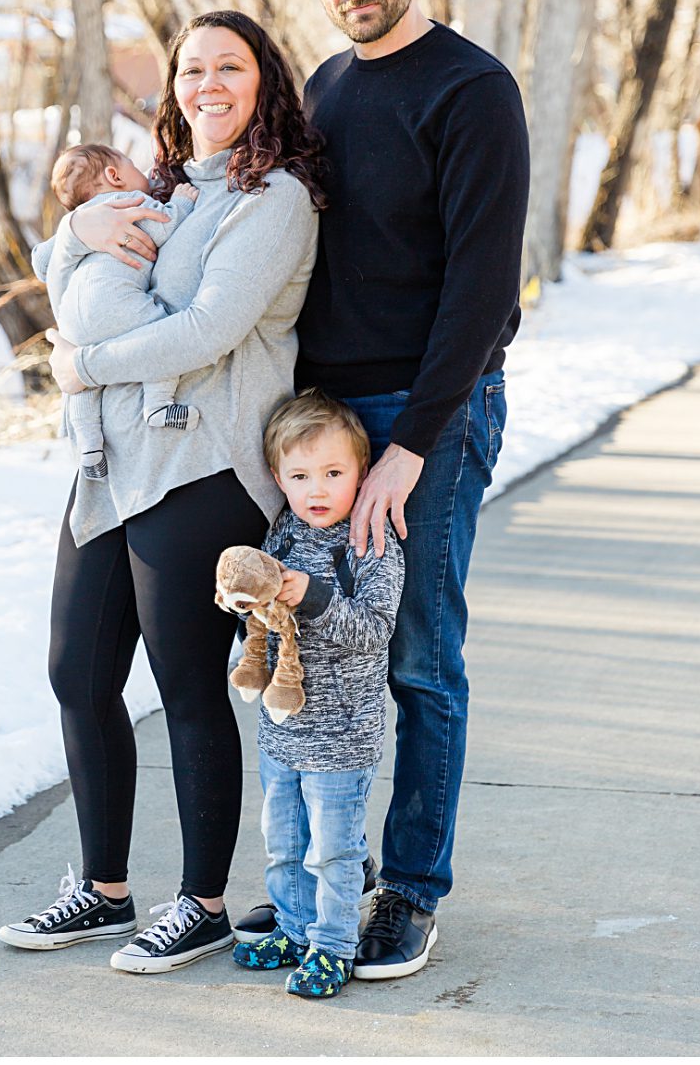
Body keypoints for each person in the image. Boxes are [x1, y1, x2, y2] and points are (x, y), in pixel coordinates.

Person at [230, 0, 530, 981]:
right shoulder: (325, 85)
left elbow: (482, 286)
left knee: (415, 652)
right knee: (316, 640)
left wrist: (410, 445)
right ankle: (324, 875)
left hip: (426, 413)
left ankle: (408, 887)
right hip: (328, 414)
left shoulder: (472, 89)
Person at [0, 11, 325, 974]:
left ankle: (205, 901)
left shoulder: (276, 200)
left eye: (230, 67)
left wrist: (85, 364)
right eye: (192, 69)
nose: (207, 84)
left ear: (263, 81)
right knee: (77, 672)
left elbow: (208, 329)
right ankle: (102, 892)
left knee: (185, 684)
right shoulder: (166, 185)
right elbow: (69, 272)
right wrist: (68, 228)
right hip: (114, 464)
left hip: (207, 465)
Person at [228, 391, 404, 1000]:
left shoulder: (370, 545)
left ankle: (333, 945)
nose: (318, 489)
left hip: (342, 734)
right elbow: (264, 626)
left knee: (332, 852)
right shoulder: (279, 534)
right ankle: (294, 928)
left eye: (334, 473)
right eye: (301, 476)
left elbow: (373, 631)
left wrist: (315, 598)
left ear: (362, 471)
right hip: (282, 730)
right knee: (284, 843)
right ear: (278, 477)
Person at [45, 144, 201, 480]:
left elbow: (44, 260)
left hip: (73, 313)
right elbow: (162, 226)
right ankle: (158, 402)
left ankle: (88, 445)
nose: (141, 171)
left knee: (80, 381)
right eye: (131, 164)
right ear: (114, 176)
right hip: (115, 301)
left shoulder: (84, 221)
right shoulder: (127, 204)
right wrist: (183, 203)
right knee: (161, 334)